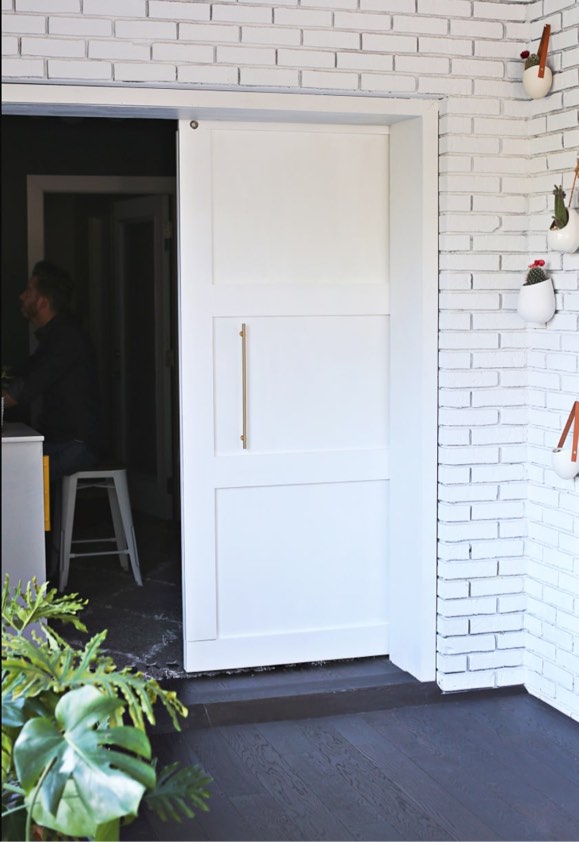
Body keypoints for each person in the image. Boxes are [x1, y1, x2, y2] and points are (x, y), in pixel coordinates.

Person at [2, 261, 105, 482]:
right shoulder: (55, 337)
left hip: (76, 445)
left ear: (43, 302)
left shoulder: (66, 340)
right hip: (61, 441)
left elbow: (23, 388)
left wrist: (7, 395)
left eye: (28, 291)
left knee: (14, 477)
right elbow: (21, 374)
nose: (21, 296)